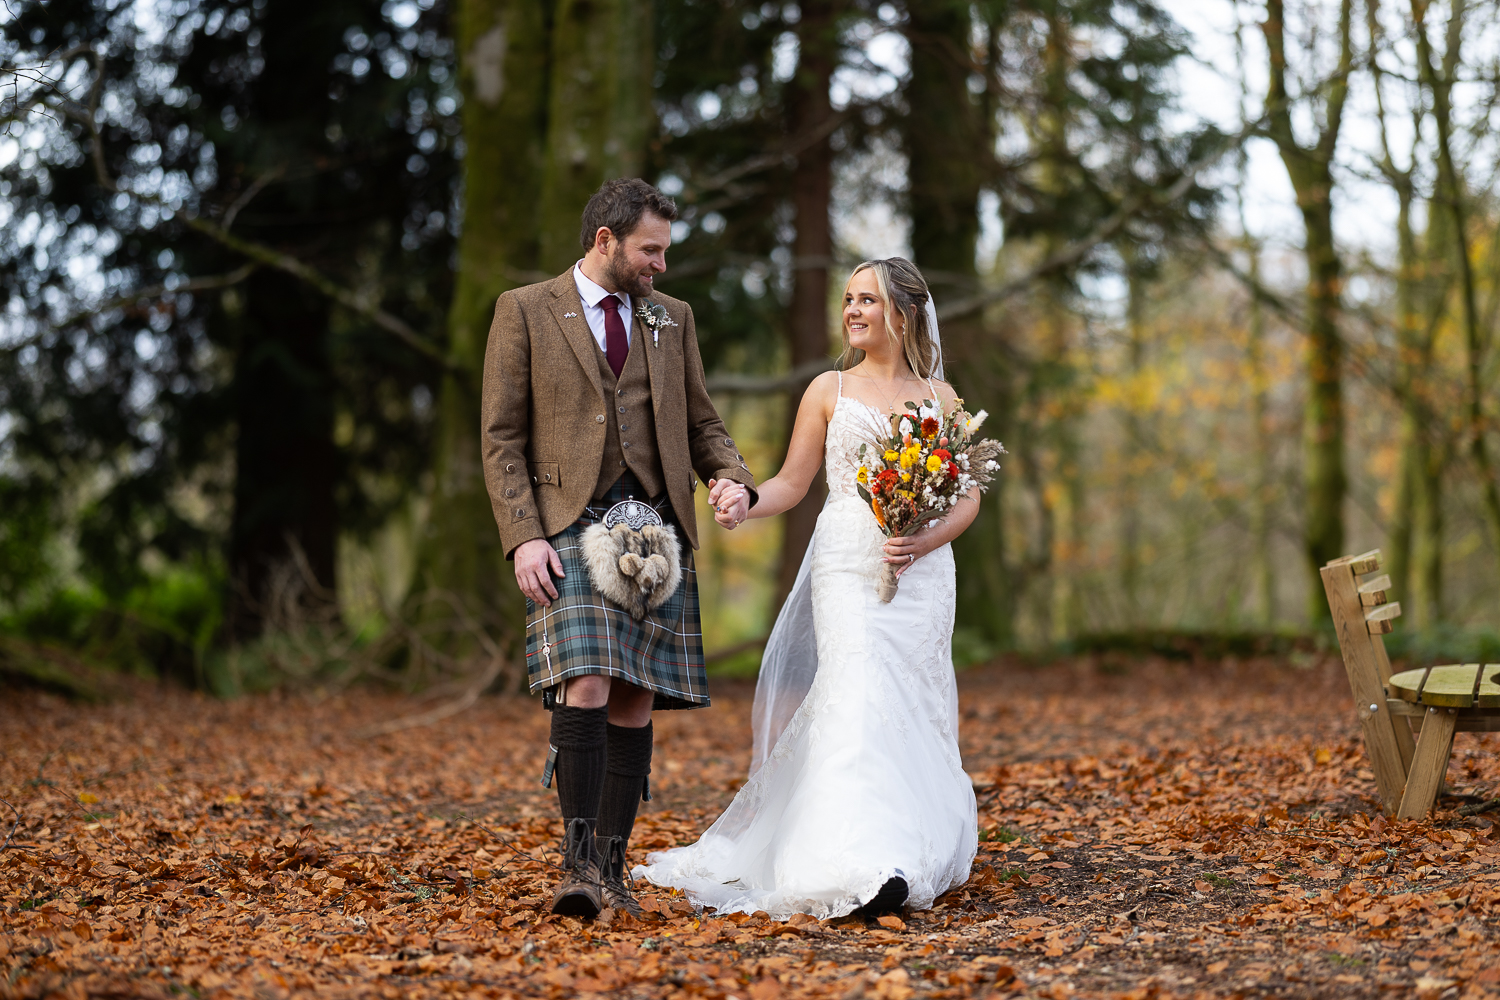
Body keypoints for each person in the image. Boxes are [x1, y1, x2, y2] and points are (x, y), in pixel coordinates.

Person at [635, 257, 982, 919]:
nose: (852, 310)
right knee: (858, 693)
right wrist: (745, 500)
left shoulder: (942, 399)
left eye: (868, 300)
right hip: (847, 565)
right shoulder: (828, 389)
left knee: (914, 700)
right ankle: (862, 861)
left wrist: (924, 541)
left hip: (923, 572)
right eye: (848, 299)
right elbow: (792, 484)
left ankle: (911, 847)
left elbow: (967, 498)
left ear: (904, 313)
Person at [481, 177, 756, 919]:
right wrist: (523, 536)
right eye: (650, 250)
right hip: (569, 523)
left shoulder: (673, 318)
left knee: (636, 693)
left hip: (657, 528)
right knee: (589, 681)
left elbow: (701, 422)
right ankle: (577, 868)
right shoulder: (524, 309)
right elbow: (501, 438)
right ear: (605, 240)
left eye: (664, 252)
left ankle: (611, 866)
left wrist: (731, 478)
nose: (661, 265)